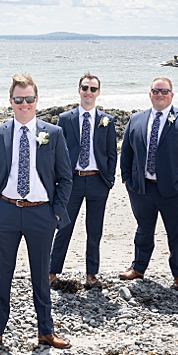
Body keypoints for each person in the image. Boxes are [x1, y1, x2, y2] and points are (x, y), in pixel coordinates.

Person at [0, 74, 73, 354]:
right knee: (3, 276)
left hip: (40, 214)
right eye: (18, 99)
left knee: (40, 276)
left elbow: (65, 178)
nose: (24, 104)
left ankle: (46, 332)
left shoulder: (52, 134)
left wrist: (55, 213)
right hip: (5, 212)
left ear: (36, 100)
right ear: (11, 101)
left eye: (29, 98)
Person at [118, 77, 178, 290]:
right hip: (141, 187)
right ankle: (138, 267)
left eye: (164, 91)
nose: (160, 95)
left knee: (176, 232)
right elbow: (126, 151)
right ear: (150, 94)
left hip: (174, 189)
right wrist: (127, 178)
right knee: (143, 230)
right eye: (156, 91)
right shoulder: (136, 119)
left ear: (171, 95)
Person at [48, 73, 117, 289]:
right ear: (79, 90)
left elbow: (111, 153)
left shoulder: (107, 120)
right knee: (64, 226)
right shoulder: (65, 119)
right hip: (73, 181)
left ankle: (92, 274)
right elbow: (57, 152)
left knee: (94, 230)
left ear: (98, 92)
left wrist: (109, 180)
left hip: (98, 181)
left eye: (93, 89)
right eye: (85, 87)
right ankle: (51, 271)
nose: (88, 92)